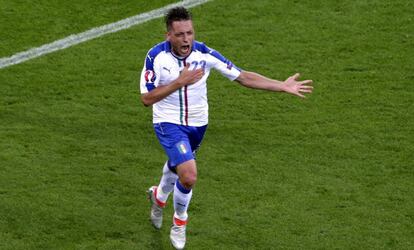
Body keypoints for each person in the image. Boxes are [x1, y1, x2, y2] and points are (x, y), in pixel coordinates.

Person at [140, 7, 313, 250]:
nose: (186, 39)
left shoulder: (204, 53)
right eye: (180, 34)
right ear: (168, 35)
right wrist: (180, 82)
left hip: (198, 125)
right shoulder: (156, 57)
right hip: (168, 123)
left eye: (190, 32)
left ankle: (158, 198)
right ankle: (180, 222)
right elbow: (147, 98)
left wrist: (281, 86)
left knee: (178, 165)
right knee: (188, 176)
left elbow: (243, 77)